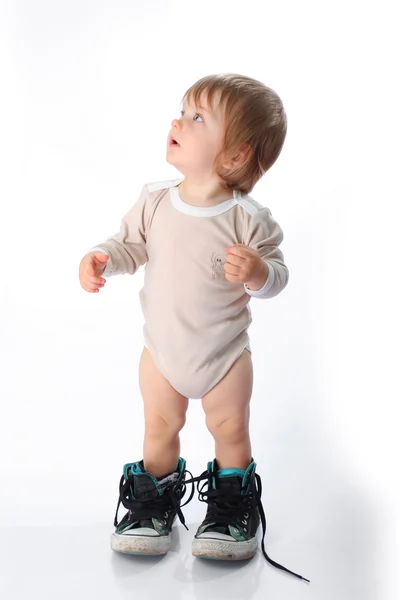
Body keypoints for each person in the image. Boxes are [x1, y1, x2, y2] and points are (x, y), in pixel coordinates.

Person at [78, 73, 310, 583]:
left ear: (233, 158)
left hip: (225, 355)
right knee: (159, 427)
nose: (177, 121)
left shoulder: (248, 218)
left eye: (196, 117)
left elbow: (278, 276)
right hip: (162, 351)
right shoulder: (156, 199)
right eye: (182, 111)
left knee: (230, 430)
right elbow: (129, 245)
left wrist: (257, 273)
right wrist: (102, 258)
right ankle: (152, 504)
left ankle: (231, 507)